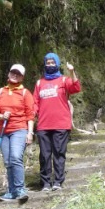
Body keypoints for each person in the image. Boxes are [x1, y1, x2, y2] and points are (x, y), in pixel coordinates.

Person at [32, 53, 81, 190]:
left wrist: (72, 72)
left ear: (58, 64)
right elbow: (35, 102)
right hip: (43, 124)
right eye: (47, 62)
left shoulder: (64, 80)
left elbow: (76, 88)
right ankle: (46, 182)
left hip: (61, 123)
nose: (50, 64)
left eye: (53, 62)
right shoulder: (39, 83)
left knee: (59, 153)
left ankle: (58, 181)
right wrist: (32, 118)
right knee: (44, 154)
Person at [0, 63, 35, 202]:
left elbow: (30, 114)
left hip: (19, 129)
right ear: (8, 74)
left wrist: (30, 133)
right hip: (3, 131)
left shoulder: (24, 93)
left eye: (18, 74)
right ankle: (11, 191)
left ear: (22, 77)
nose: (15, 75)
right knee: (8, 161)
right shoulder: (0, 92)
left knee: (16, 157)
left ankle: (20, 189)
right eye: (13, 72)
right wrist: (1, 116)